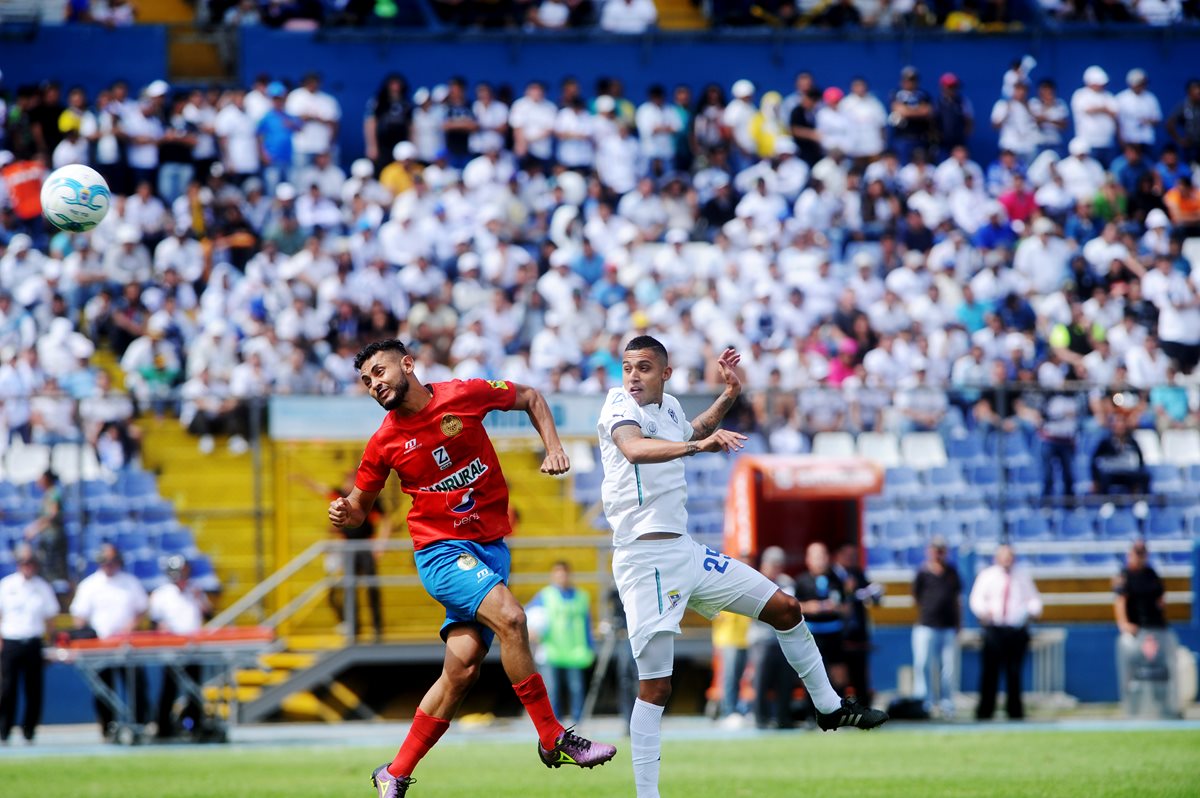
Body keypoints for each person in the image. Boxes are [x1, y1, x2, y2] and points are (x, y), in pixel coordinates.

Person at [597, 336, 886, 798]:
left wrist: (729, 396)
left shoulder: (668, 406)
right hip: (643, 558)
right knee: (656, 688)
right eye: (629, 366)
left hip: (686, 551)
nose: (633, 375)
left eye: (644, 368)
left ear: (665, 374)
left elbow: (690, 432)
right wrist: (700, 448)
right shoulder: (617, 406)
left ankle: (829, 708)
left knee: (787, 608)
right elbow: (634, 450)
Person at [329, 339, 616, 798]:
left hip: (490, 549)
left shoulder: (462, 396)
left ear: (407, 364)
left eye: (379, 373)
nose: (374, 385)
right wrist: (348, 513)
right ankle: (552, 738)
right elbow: (360, 508)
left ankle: (394, 773)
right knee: (513, 619)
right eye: (366, 381)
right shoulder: (384, 441)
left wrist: (554, 448)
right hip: (442, 553)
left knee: (461, 673)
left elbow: (531, 397)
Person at [297, 470, 391, 642]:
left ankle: (377, 629)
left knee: (372, 589)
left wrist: (380, 545)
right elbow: (320, 488)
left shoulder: (368, 498)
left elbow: (386, 521)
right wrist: (302, 478)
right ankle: (355, 628)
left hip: (365, 546)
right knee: (350, 589)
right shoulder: (341, 496)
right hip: (348, 549)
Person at [69, 544, 151, 738]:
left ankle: (140, 723)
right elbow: (79, 616)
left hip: (127, 645)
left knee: (135, 685)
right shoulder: (90, 585)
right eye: (105, 561)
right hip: (101, 645)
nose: (109, 565)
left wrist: (130, 626)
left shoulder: (130, 582)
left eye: (112, 561)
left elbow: (141, 609)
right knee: (104, 689)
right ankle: (108, 726)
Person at [968, 544, 1042, 721]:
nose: (1007, 560)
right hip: (994, 629)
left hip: (1016, 630)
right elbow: (976, 598)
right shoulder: (987, 575)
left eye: (1010, 556)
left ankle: (1015, 711)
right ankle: (986, 710)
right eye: (1004, 556)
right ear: (997, 558)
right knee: (990, 672)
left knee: (1014, 672)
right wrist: (984, 612)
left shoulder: (1022, 576)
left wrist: (1030, 611)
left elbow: (1034, 599)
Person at [148, 554, 212, 739]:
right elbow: (154, 623)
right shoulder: (161, 594)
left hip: (194, 649)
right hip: (172, 650)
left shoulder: (196, 591)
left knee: (194, 689)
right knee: (169, 689)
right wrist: (163, 630)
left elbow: (208, 615)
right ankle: (163, 727)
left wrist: (200, 599)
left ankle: (195, 725)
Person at [0, 544, 59, 744]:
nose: (28, 566)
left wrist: (50, 644)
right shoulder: (7, 586)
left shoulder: (42, 587)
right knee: (7, 688)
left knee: (34, 689)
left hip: (34, 642)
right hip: (11, 641)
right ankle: (4, 730)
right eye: (25, 562)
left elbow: (50, 619)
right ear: (18, 564)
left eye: (31, 562)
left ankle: (29, 731)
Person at [1113, 539, 1179, 718]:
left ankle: (1164, 708)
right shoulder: (1125, 575)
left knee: (1160, 671)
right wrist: (1124, 624)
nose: (1140, 558)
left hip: (1157, 629)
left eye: (1143, 554)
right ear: (1130, 555)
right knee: (1135, 673)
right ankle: (1133, 710)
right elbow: (1120, 601)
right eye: (1137, 553)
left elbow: (1161, 597)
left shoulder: (1151, 574)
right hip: (1137, 632)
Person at [527, 561, 595, 724]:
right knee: (552, 690)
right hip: (552, 651)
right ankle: (553, 726)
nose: (561, 577)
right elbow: (529, 615)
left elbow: (586, 624)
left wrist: (590, 646)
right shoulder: (545, 596)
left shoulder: (581, 596)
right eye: (558, 574)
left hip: (575, 651)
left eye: (564, 573)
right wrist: (530, 630)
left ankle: (578, 725)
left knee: (576, 689)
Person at [911, 536, 962, 719]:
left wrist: (958, 625)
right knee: (923, 664)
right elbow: (916, 597)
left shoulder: (952, 572)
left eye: (941, 550)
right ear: (929, 551)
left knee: (948, 668)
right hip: (926, 625)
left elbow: (957, 600)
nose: (938, 553)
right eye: (935, 549)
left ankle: (947, 703)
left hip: (947, 627)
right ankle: (925, 703)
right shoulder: (923, 572)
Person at [748, 546, 798, 730]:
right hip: (761, 639)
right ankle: (760, 717)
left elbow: (788, 609)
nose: (776, 568)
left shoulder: (787, 582)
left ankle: (783, 717)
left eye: (779, 564)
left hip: (782, 639)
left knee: (785, 680)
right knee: (761, 679)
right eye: (772, 564)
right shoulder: (755, 581)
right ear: (764, 565)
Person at [833, 542, 882, 706]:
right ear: (838, 556)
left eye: (854, 556)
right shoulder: (832, 575)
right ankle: (839, 712)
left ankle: (864, 712)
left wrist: (875, 594)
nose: (851, 559)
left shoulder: (857, 573)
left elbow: (868, 595)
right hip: (838, 634)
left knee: (860, 676)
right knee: (839, 676)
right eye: (848, 555)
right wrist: (848, 591)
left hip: (858, 633)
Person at [23, 470, 68, 596]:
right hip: (47, 536)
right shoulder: (49, 493)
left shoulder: (54, 493)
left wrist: (35, 528)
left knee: (51, 567)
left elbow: (52, 515)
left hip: (52, 537)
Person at [1091, 409, 1151, 496]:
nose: (1119, 426)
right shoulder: (1105, 442)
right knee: (1104, 478)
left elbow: (1140, 460)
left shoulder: (1132, 441)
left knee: (1144, 476)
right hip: (1111, 473)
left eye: (1121, 422)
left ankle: (1141, 502)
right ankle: (1106, 503)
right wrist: (1095, 480)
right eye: (1117, 422)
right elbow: (1095, 461)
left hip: (1128, 473)